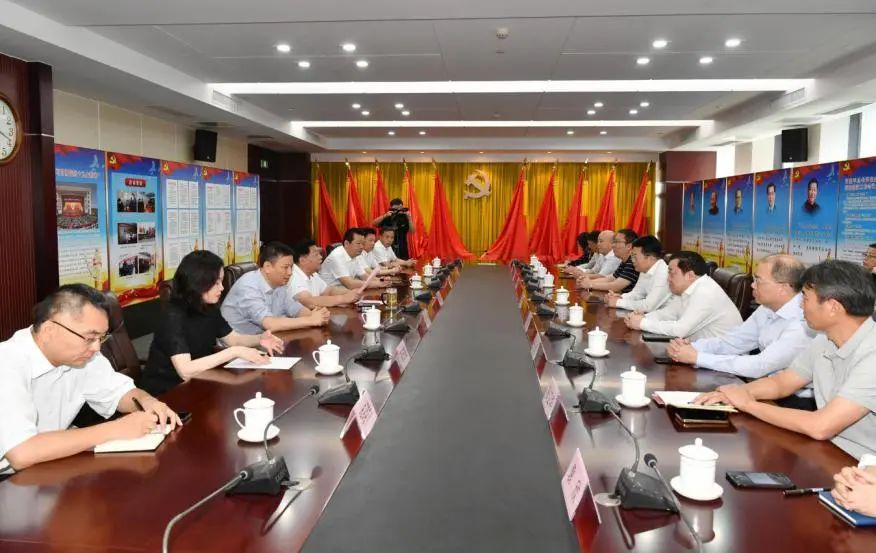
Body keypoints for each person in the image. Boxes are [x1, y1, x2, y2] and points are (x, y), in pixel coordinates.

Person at [696, 260, 876, 460]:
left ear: (833, 307)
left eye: (805, 297)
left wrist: (748, 404)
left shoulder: (872, 354)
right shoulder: (825, 339)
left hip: (861, 463)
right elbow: (782, 383)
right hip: (829, 449)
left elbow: (821, 426)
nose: (800, 305)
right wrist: (738, 393)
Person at [0, 284, 180, 473]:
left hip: (48, 466)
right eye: (89, 338)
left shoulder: (83, 356)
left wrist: (147, 401)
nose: (96, 348)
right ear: (49, 330)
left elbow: (119, 392)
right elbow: (22, 453)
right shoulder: (7, 362)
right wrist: (114, 429)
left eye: (101, 338)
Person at [667, 254, 816, 409]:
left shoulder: (803, 322)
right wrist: (689, 348)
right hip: (765, 388)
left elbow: (760, 366)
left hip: (796, 402)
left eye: (758, 280)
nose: (752, 285)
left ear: (782, 288)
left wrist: (697, 357)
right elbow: (733, 342)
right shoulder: (767, 307)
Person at [140, 251, 284, 396]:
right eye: (216, 283)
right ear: (198, 283)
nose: (222, 288)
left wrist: (260, 339)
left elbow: (233, 339)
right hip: (166, 393)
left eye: (221, 282)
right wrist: (234, 352)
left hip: (201, 381)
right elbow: (185, 370)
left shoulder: (208, 307)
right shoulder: (173, 315)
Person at [624, 251, 742, 340]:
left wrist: (642, 323)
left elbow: (680, 330)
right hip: (698, 350)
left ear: (690, 275)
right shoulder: (689, 288)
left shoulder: (706, 292)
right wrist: (643, 318)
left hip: (720, 358)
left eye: (672, 273)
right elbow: (670, 313)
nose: (668, 279)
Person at [221, 241, 330, 334]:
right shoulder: (248, 287)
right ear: (268, 267)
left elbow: (296, 309)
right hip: (239, 346)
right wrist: (311, 320)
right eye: (285, 267)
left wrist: (317, 315)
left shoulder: (279, 283)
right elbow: (270, 324)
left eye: (291, 267)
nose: (290, 272)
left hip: (267, 340)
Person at [288, 239, 361, 309]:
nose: (321, 257)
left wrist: (350, 293)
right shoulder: (293, 276)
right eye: (316, 255)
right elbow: (308, 301)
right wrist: (343, 298)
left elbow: (328, 291)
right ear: (302, 260)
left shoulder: (313, 274)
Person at [606, 235, 671, 312]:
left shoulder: (664, 274)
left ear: (650, 258)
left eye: (634, 256)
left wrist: (618, 302)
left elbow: (648, 306)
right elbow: (637, 293)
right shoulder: (644, 270)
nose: (632, 260)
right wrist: (620, 297)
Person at [320, 228, 390, 290]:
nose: (361, 247)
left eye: (363, 243)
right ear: (346, 243)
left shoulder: (356, 255)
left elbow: (364, 276)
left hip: (344, 290)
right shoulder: (337, 256)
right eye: (358, 243)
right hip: (330, 293)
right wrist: (377, 284)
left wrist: (381, 280)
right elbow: (350, 284)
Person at [575, 229, 639, 293]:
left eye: (617, 242)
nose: (613, 245)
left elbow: (616, 286)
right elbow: (611, 278)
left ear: (629, 246)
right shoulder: (625, 261)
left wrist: (590, 284)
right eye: (614, 242)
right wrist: (586, 282)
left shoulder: (633, 262)